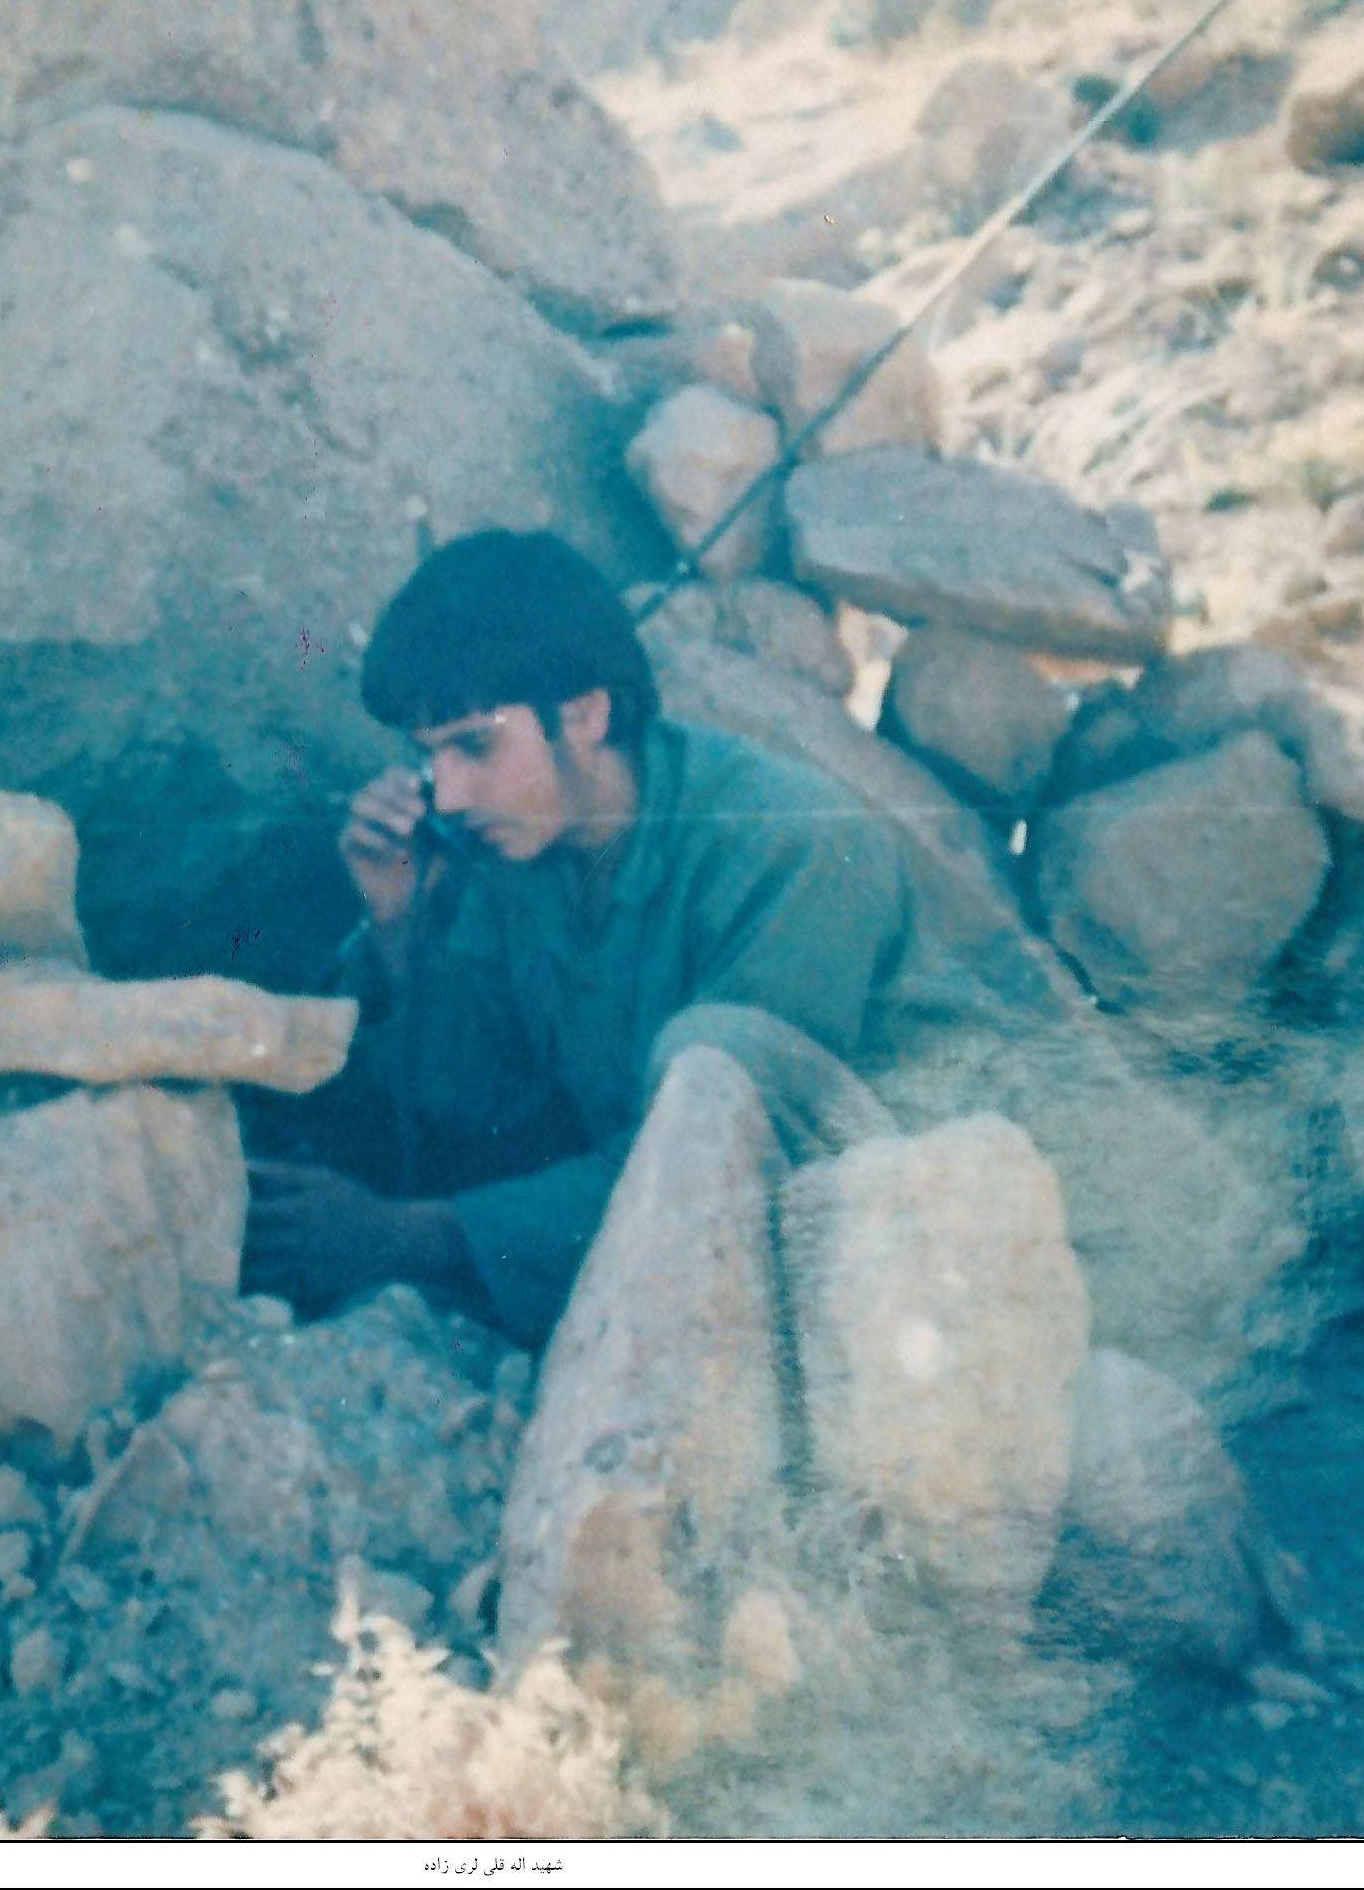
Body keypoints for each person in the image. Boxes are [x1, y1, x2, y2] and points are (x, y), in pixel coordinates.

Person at [242, 530, 923, 1346]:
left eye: (475, 745)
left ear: (587, 714)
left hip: (909, 1255)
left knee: (715, 1055)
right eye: (431, 757)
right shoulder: (524, 848)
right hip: (705, 1253)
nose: (448, 795)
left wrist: (409, 1237)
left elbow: (724, 1165)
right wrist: (400, 922)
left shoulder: (792, 846)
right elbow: (482, 1102)